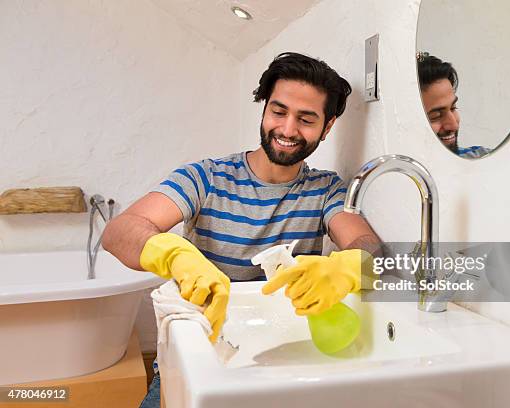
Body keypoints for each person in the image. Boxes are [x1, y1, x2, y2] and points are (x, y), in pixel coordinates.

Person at [101, 52, 380, 407]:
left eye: (306, 119)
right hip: (197, 357)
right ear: (264, 109)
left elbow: (370, 246)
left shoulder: (326, 190)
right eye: (279, 112)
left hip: (280, 360)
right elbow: (119, 231)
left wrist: (349, 265)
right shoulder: (207, 176)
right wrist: (175, 256)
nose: (288, 130)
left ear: (327, 127)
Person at [417, 55, 490, 159]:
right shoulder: (391, 173)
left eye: (453, 108)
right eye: (436, 116)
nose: (454, 125)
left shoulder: (483, 159)